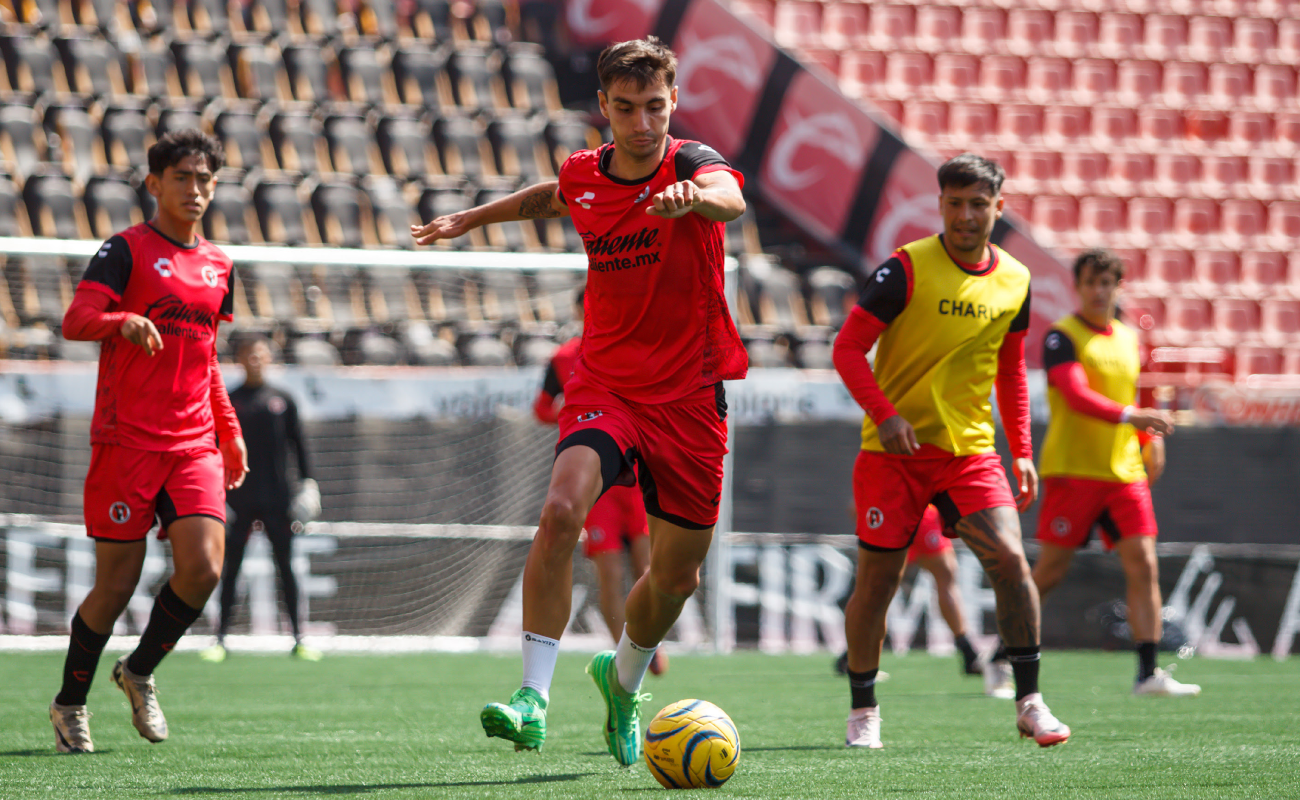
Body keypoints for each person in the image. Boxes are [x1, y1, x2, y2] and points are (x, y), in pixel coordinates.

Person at [412, 36, 747, 766]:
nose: (640, 122)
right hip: (607, 383)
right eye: (624, 108)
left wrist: (697, 199)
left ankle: (622, 682)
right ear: (603, 107)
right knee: (562, 510)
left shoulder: (692, 165)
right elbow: (553, 197)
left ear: (672, 102)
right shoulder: (585, 172)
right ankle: (532, 696)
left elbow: (732, 197)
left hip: (689, 392)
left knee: (677, 576)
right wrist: (473, 219)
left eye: (654, 106)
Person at [832, 153, 1069, 750]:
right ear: (939, 205)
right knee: (878, 583)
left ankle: (1030, 701)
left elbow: (1012, 370)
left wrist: (1021, 451)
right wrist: (884, 416)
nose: (966, 215)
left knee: (1013, 564)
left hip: (969, 453)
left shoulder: (1016, 279)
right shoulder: (905, 270)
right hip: (893, 455)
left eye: (978, 204)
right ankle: (863, 707)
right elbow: (847, 349)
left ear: (999, 207)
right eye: (955, 203)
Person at [49, 130, 248, 754]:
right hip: (125, 441)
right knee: (116, 585)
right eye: (183, 177)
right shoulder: (124, 250)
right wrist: (122, 321)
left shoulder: (219, 265)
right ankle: (70, 702)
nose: (195, 190)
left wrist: (230, 429)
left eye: (205, 180)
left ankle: (137, 672)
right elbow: (76, 320)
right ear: (154, 183)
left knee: (204, 567)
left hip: (193, 442)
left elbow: (206, 357)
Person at [1031, 248, 1199, 697]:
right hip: (1074, 471)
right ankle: (1002, 653)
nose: (1099, 290)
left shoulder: (1128, 337)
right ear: (1078, 286)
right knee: (1049, 571)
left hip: (1123, 473)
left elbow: (1141, 393)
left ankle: (1148, 674)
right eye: (1091, 282)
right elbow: (1075, 394)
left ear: (1118, 286)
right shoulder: (1060, 337)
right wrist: (1134, 419)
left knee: (1144, 565)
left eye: (1107, 282)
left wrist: (1151, 439)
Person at [533, 289, 666, 677]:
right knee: (609, 573)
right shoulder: (563, 358)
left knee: (648, 568)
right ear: (578, 310)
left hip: (637, 477)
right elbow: (542, 408)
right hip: (598, 485)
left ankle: (644, 645)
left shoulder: (633, 348)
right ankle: (623, 653)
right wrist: (575, 418)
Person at [201, 335, 321, 663]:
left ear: (269, 357)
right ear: (239, 358)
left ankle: (299, 638)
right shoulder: (229, 400)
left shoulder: (283, 399)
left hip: (278, 501)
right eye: (248, 353)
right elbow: (211, 449)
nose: (255, 359)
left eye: (260, 354)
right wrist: (216, 493)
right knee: (230, 570)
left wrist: (309, 485)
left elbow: (299, 446)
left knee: (286, 569)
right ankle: (220, 640)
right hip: (238, 499)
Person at [834, 506, 983, 678]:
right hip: (912, 515)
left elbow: (856, 506)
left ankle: (852, 657)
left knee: (877, 591)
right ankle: (968, 653)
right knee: (878, 590)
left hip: (902, 517)